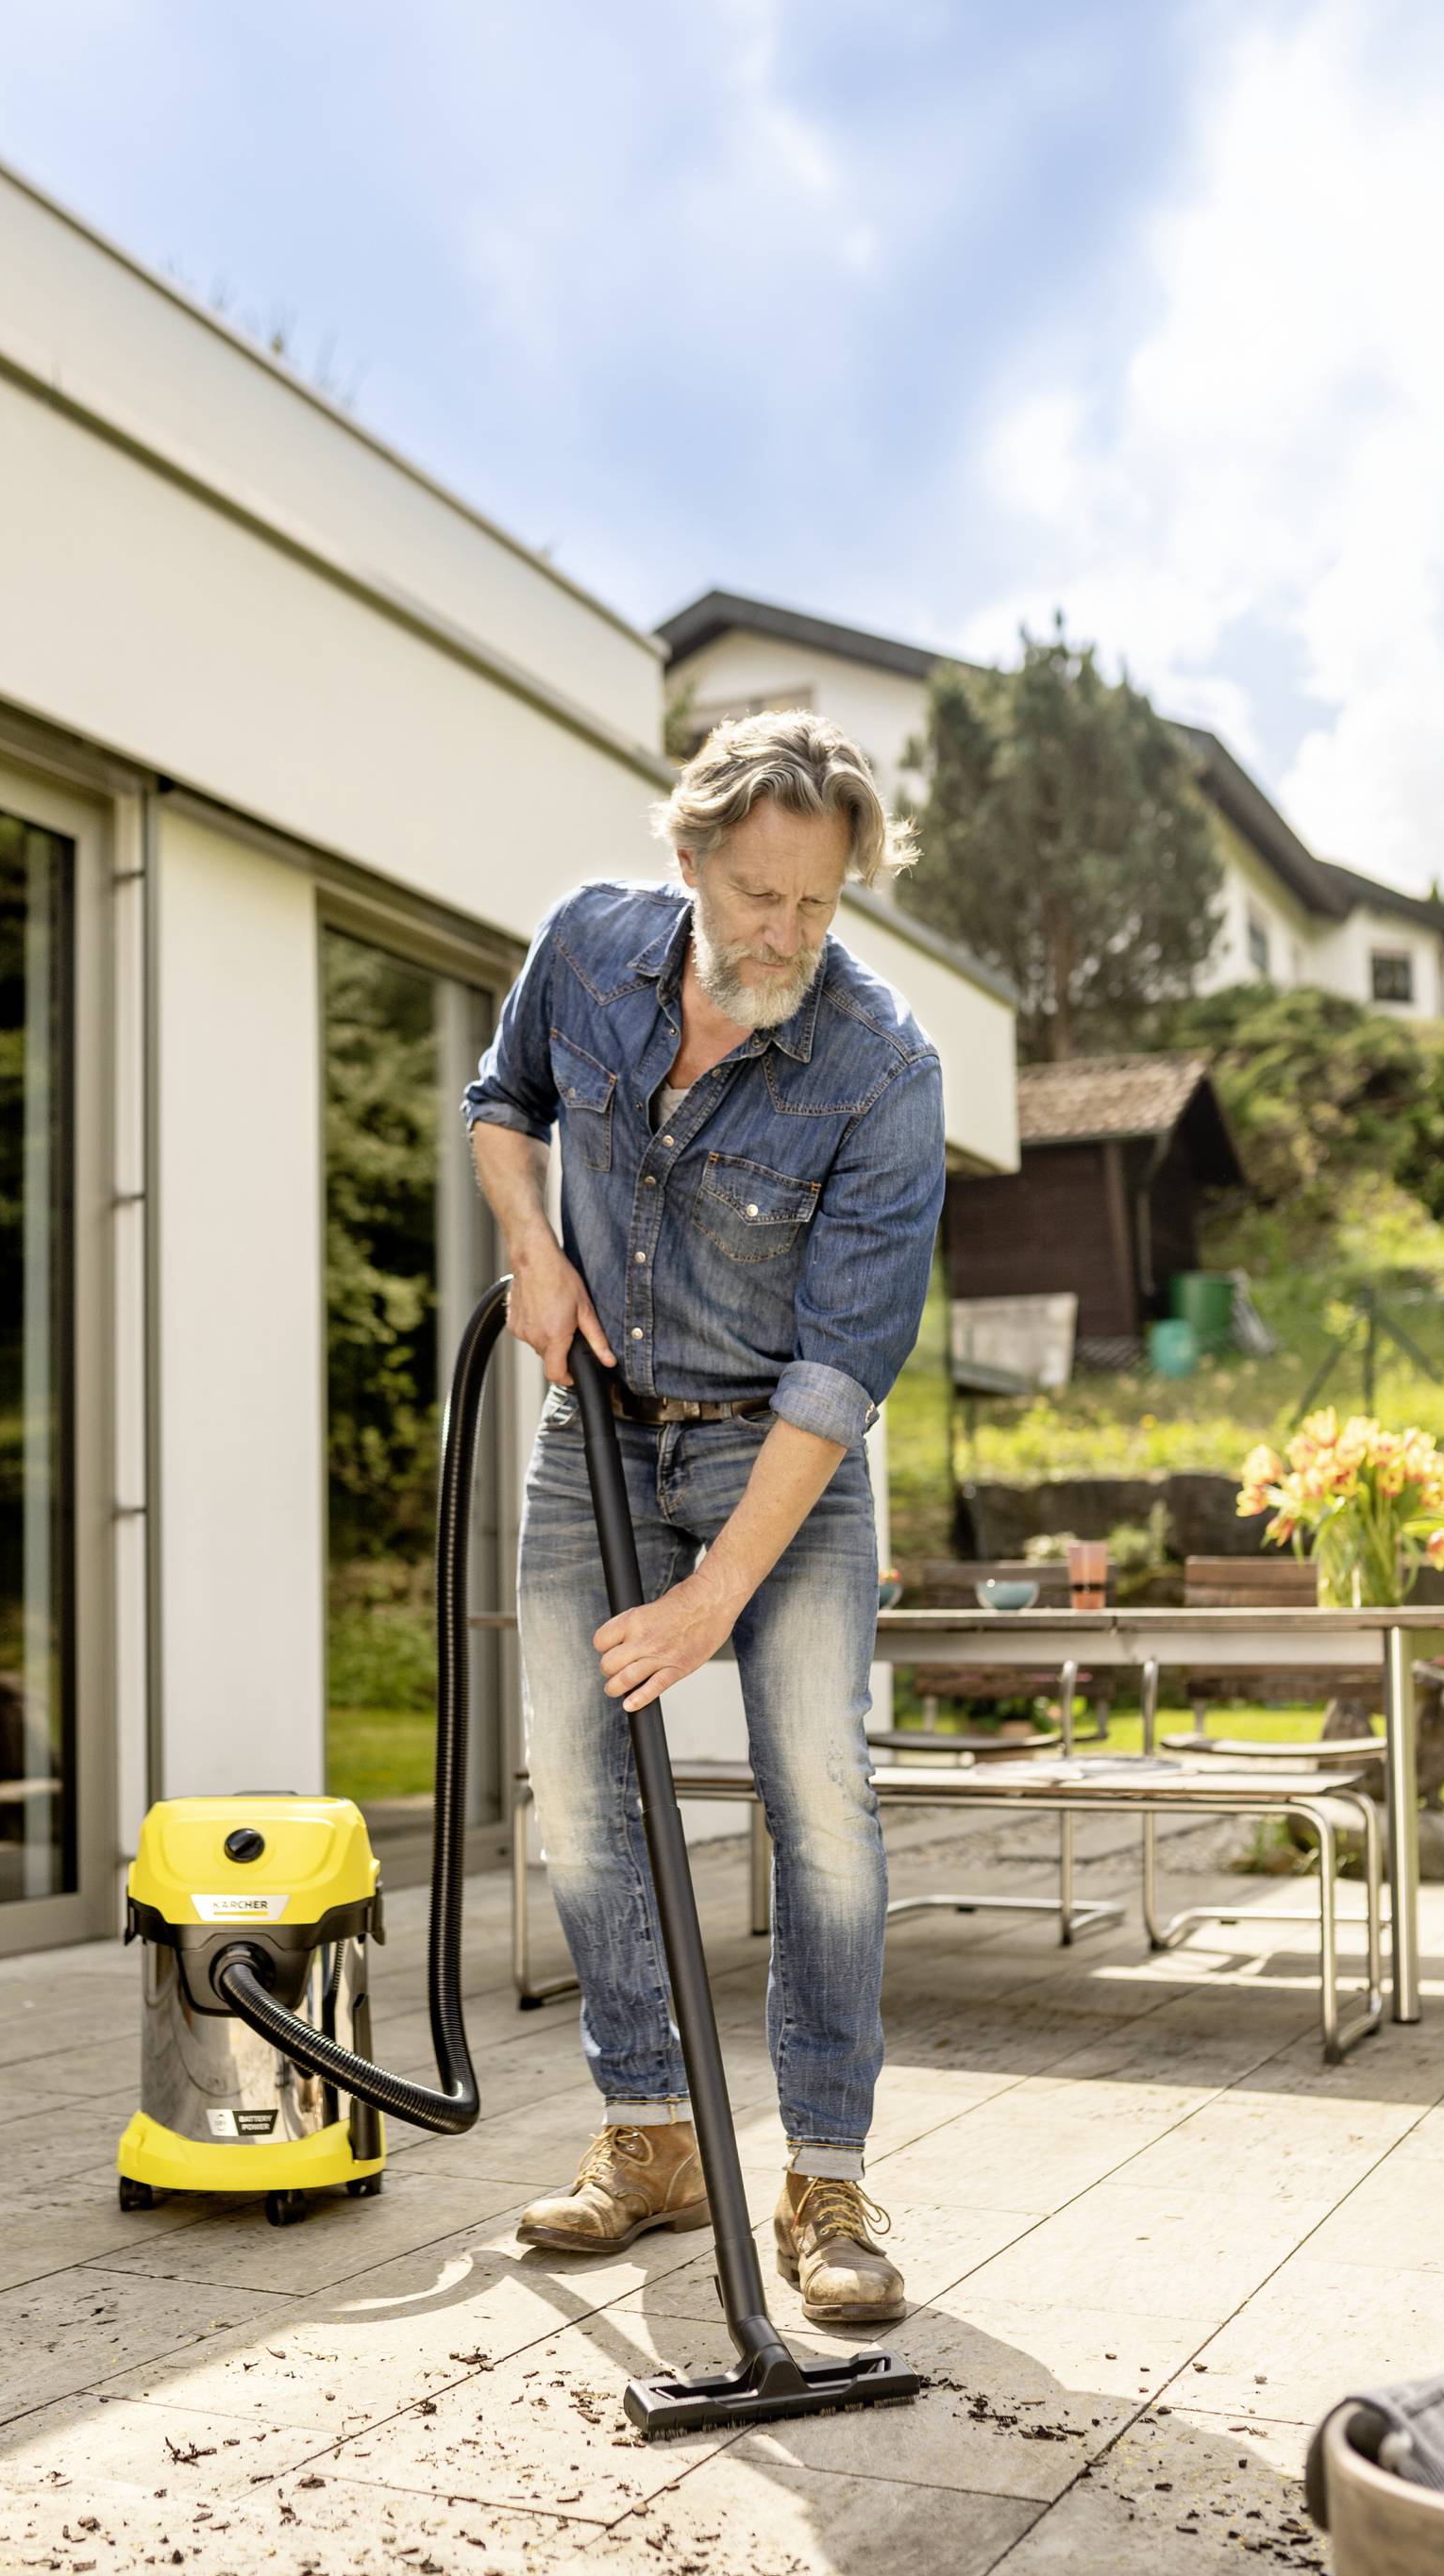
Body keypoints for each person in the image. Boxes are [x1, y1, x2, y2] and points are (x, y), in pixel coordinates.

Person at [462, 710, 944, 2322]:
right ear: (688, 862)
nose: (786, 935)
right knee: (579, 1788)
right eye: (757, 897)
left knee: (820, 1797)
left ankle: (823, 2176)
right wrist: (529, 1235)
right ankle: (654, 2138)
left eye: (818, 906)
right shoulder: (589, 949)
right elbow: (501, 1098)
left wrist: (716, 1595)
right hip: (593, 1434)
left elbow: (842, 1367)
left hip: (779, 1463)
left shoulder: (883, 1064)